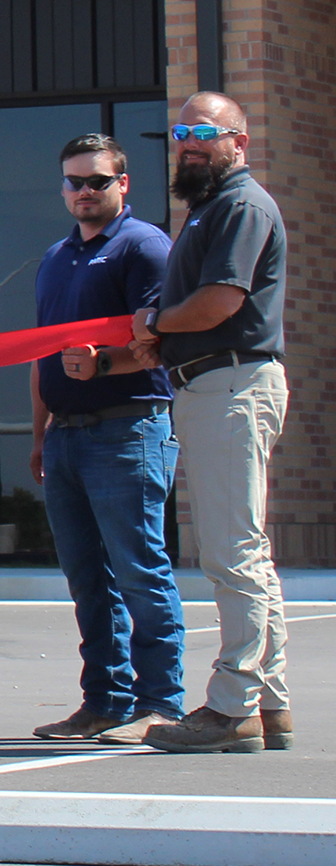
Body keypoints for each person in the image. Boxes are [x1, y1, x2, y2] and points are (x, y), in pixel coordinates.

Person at [130, 91, 294, 755]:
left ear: (239, 142)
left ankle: (232, 709)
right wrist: (155, 343)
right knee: (246, 551)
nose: (190, 142)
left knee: (232, 554)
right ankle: (271, 703)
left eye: (205, 131)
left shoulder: (241, 206)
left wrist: (155, 323)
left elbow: (220, 302)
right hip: (211, 383)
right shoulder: (209, 211)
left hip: (233, 383)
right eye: (180, 132)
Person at [26, 132, 181, 745]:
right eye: (74, 182)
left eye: (97, 181)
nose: (84, 192)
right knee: (87, 577)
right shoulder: (55, 257)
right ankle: (105, 700)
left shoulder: (144, 247)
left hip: (128, 428)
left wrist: (105, 365)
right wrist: (39, 435)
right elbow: (42, 355)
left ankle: (161, 702)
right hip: (65, 438)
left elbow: (159, 341)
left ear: (123, 185)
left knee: (140, 570)